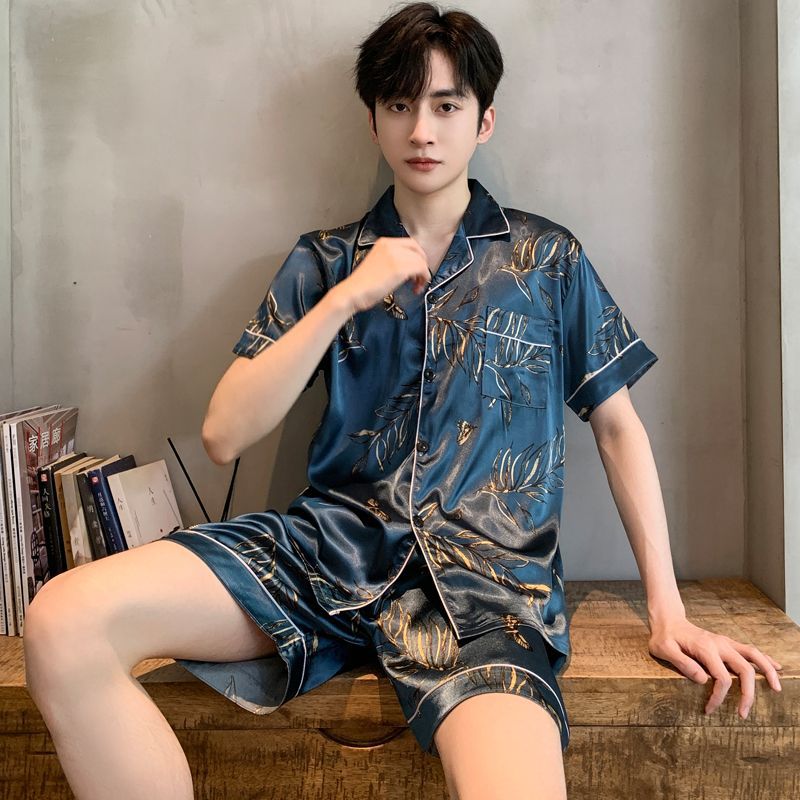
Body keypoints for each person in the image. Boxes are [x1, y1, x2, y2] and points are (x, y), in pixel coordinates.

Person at [23, 3, 783, 799]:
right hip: (326, 555)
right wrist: (346, 298)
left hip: (485, 594)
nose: (422, 130)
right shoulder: (326, 260)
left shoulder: (547, 259)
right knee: (63, 620)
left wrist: (668, 611)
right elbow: (223, 433)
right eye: (400, 105)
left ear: (484, 122)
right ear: (374, 121)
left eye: (446, 106)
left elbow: (618, 428)